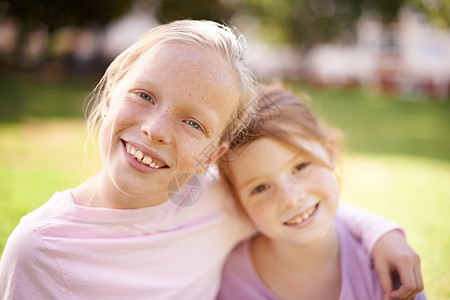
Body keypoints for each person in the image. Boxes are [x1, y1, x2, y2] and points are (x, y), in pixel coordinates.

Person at [0, 20, 421, 299]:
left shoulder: (216, 200)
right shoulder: (39, 249)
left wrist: (382, 233)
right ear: (110, 95)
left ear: (212, 156)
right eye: (144, 95)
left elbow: (301, 200)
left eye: (194, 123)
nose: (156, 129)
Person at [217, 84, 425, 300]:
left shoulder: (386, 266)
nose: (291, 198)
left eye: (300, 166)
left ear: (329, 153)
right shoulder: (231, 278)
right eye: (260, 188)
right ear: (238, 201)